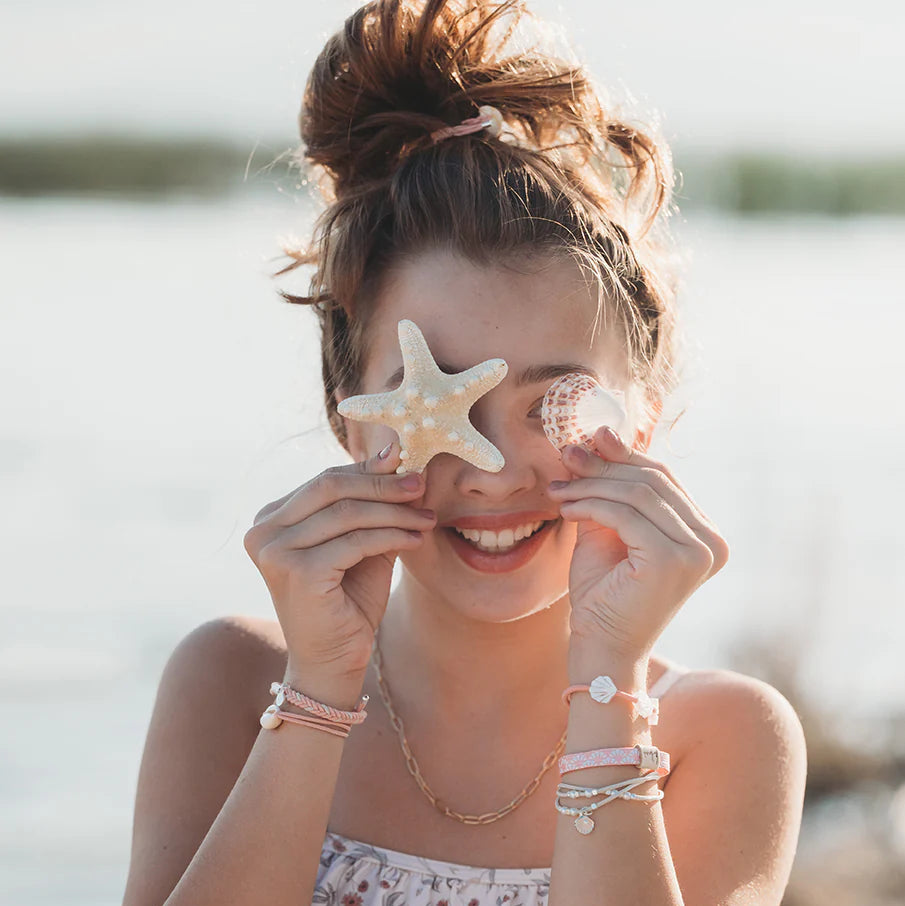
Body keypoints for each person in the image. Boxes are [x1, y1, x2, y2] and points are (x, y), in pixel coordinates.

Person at [122, 1, 807, 904]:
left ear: (641, 422)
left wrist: (606, 682)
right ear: (347, 416)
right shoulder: (233, 682)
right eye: (434, 400)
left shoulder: (723, 735)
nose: (491, 471)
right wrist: (318, 694)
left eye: (557, 408)